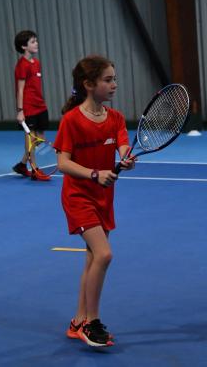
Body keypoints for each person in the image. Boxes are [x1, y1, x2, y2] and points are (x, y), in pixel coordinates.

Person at [54, 55, 135, 347]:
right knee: (104, 254)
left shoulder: (115, 118)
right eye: (108, 80)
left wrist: (126, 159)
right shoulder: (72, 121)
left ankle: (78, 320)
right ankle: (92, 323)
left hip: (104, 197)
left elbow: (123, 144)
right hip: (78, 196)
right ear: (89, 84)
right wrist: (93, 174)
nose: (114, 85)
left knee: (91, 259)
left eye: (114, 78)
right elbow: (62, 163)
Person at [12, 30, 50, 181]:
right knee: (30, 138)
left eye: (36, 41)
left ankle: (22, 165)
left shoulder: (37, 63)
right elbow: (20, 89)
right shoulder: (22, 65)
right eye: (33, 42)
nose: (36, 44)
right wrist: (20, 111)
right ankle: (35, 169)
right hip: (28, 108)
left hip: (40, 105)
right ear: (24, 46)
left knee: (39, 139)